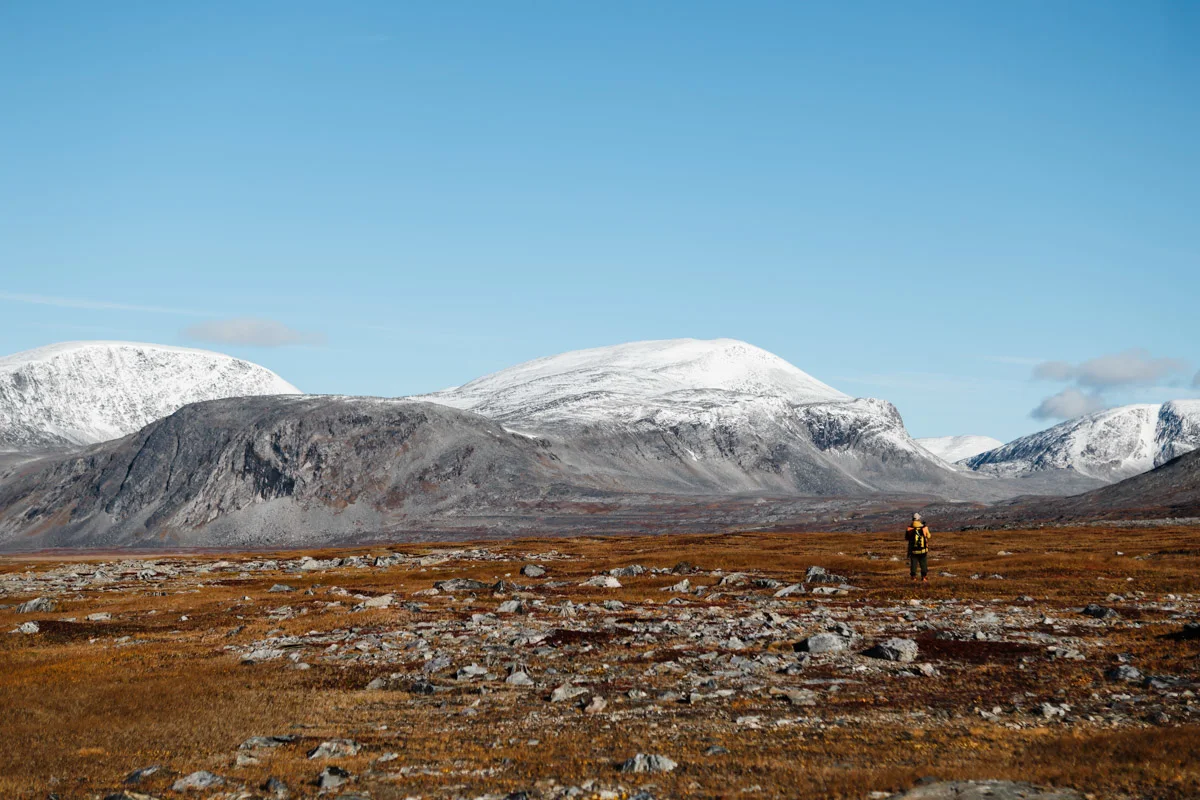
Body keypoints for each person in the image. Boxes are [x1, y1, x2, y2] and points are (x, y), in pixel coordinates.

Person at [906, 512, 931, 583]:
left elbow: (907, 538)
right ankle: (924, 577)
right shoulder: (924, 528)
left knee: (913, 564)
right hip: (923, 550)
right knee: (923, 564)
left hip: (913, 550)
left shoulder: (909, 528)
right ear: (919, 519)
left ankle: (913, 577)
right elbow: (929, 536)